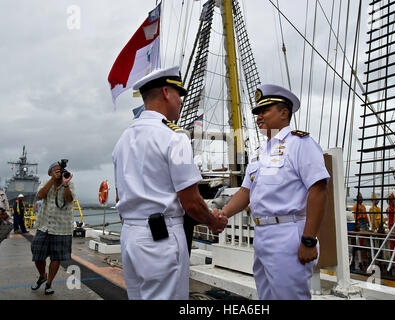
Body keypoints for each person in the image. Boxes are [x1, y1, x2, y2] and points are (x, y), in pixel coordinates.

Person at [112, 66, 228, 300]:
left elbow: (118, 196)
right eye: (179, 95)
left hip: (130, 238)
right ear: (166, 92)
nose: (181, 102)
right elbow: (192, 203)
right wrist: (212, 222)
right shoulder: (174, 137)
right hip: (161, 240)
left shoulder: (123, 139)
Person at [215, 84, 329, 300]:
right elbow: (246, 191)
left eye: (264, 110)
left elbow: (319, 189)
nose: (259, 116)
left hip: (288, 233)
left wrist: (309, 239)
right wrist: (223, 215)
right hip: (262, 236)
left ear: (284, 113)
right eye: (257, 112)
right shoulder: (260, 153)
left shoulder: (300, 144)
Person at [30, 161, 75, 295]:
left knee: (56, 257)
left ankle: (49, 283)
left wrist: (65, 184)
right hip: (44, 226)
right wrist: (52, 180)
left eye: (59, 170)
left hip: (62, 227)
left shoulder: (69, 184)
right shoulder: (45, 183)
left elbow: (69, 199)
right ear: (50, 173)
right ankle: (42, 275)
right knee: (37, 253)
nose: (58, 172)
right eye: (55, 170)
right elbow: (40, 195)